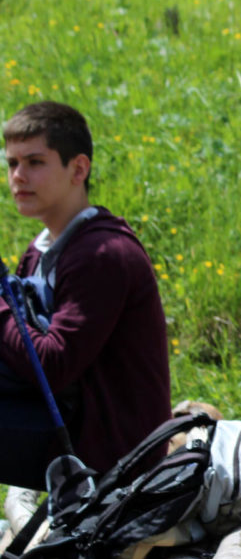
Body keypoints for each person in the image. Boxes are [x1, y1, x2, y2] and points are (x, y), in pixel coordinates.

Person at [1, 101, 170, 488]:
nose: (18, 176)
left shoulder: (103, 255)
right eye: (12, 163)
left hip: (114, 454)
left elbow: (52, 365)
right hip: (66, 421)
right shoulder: (42, 250)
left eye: (35, 162)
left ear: (78, 169)